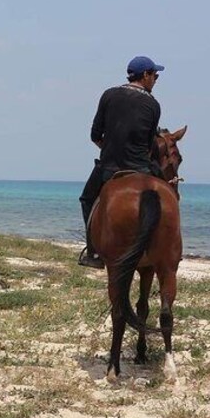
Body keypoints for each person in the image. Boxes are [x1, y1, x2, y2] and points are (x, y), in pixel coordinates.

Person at [78, 55, 164, 269]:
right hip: (141, 168)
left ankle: (94, 253)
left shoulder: (108, 95)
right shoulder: (153, 105)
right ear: (145, 75)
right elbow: (148, 143)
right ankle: (165, 248)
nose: (156, 80)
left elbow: (95, 135)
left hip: (109, 168)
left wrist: (109, 149)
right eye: (155, 75)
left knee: (87, 199)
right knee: (168, 194)